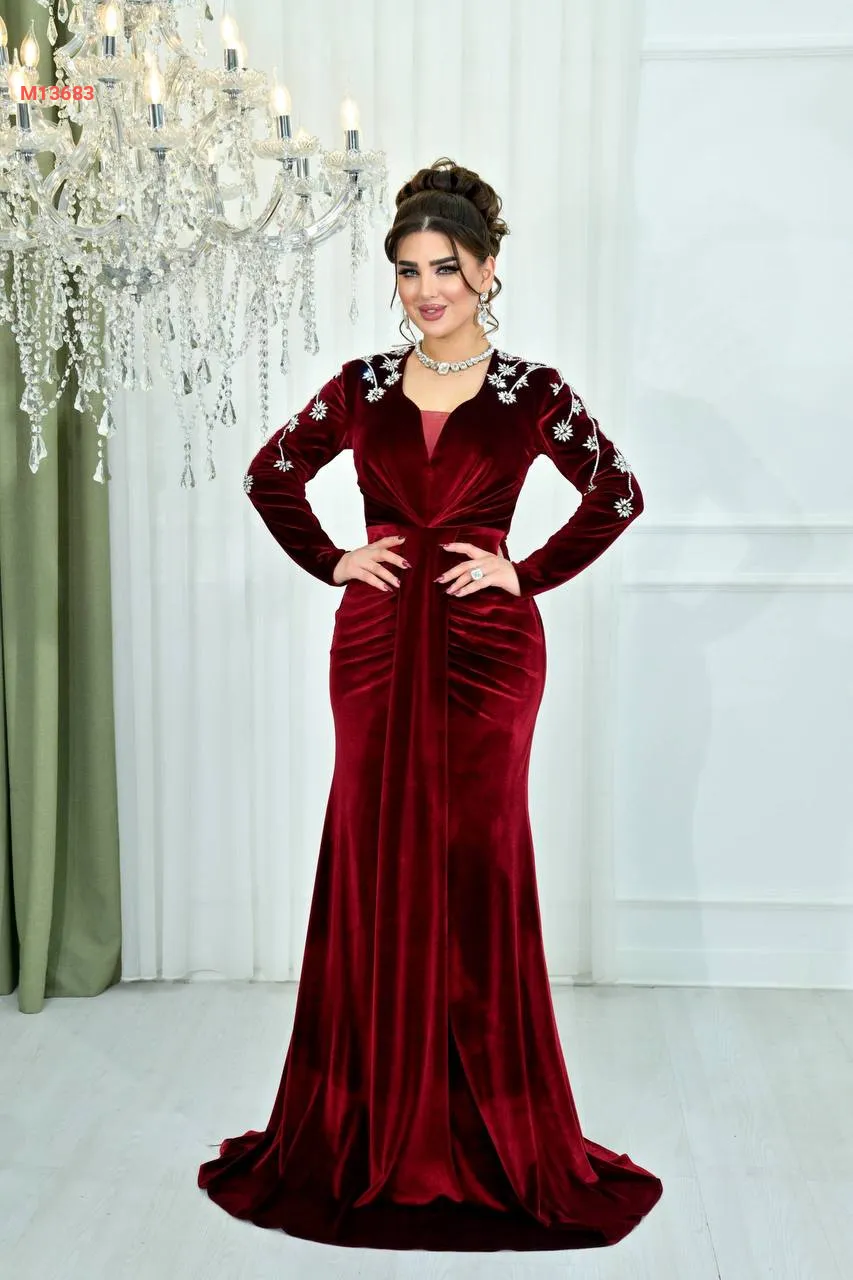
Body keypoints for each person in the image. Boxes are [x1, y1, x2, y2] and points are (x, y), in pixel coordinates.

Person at [198, 157, 663, 1251]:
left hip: (489, 655)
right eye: (408, 271)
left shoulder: (533, 392)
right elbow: (269, 475)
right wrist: (335, 557)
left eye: (445, 269)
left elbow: (618, 492)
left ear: (488, 271)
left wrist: (522, 572)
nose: (425, 290)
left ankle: (484, 1121)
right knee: (373, 857)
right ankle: (369, 1116)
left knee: (477, 864)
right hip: (372, 649)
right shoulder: (360, 386)